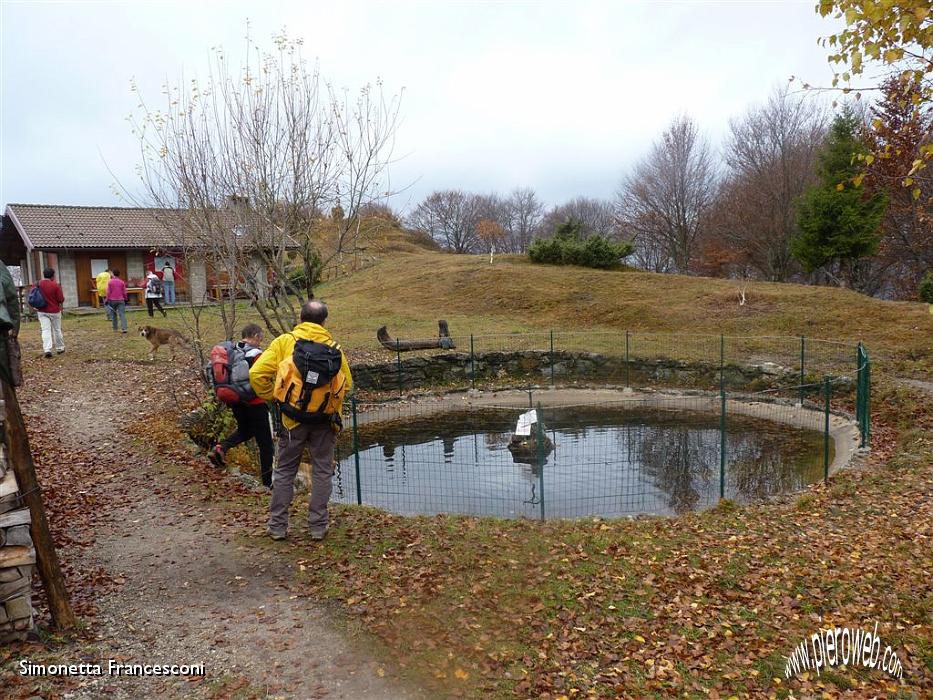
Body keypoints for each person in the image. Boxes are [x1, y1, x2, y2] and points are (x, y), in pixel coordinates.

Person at [249, 300, 352, 541]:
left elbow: (257, 373)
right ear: (324, 321)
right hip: (324, 422)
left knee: (284, 471)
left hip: (291, 421)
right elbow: (346, 384)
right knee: (323, 471)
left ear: (301, 318)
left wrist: (275, 398)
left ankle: (277, 526)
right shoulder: (334, 347)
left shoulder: (285, 342)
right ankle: (317, 526)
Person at [208, 324, 274, 488]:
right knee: (266, 444)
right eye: (261, 337)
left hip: (235, 399)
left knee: (246, 430)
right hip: (255, 402)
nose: (261, 340)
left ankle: (221, 447)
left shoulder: (233, 351)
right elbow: (263, 376)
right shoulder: (256, 354)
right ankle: (267, 484)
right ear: (256, 335)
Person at [36, 268, 65, 358]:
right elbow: (61, 299)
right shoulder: (55, 285)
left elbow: (32, 296)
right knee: (57, 329)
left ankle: (47, 349)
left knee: (45, 330)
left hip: (42, 311)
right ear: (52, 275)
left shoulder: (37, 284)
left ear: (44, 274)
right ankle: (60, 348)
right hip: (54, 311)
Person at [106, 268, 129, 334]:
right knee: (122, 314)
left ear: (113, 274)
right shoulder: (122, 282)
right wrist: (126, 299)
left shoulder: (110, 282)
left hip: (112, 300)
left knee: (114, 314)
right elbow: (124, 292)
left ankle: (115, 328)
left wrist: (107, 299)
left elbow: (108, 292)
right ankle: (124, 328)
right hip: (121, 300)